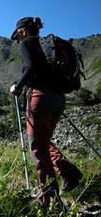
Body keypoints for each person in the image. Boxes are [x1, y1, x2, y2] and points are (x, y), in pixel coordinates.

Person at [9, 17, 82, 206]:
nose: (17, 38)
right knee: (42, 141)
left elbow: (31, 67)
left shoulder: (27, 43)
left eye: (17, 34)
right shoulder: (42, 46)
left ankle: (50, 200)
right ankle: (68, 171)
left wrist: (17, 87)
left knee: (38, 149)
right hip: (57, 99)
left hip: (39, 98)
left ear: (23, 31)